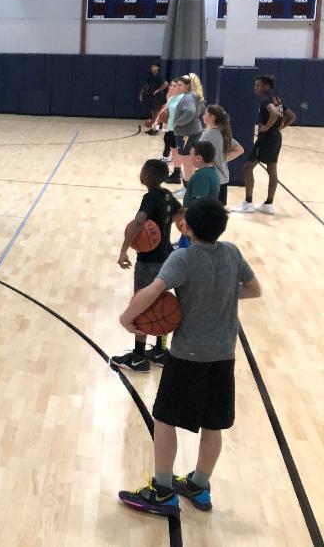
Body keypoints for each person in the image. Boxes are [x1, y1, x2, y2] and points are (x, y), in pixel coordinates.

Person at [117, 198, 261, 518]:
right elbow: (253, 289)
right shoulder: (232, 253)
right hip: (224, 355)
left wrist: (128, 318)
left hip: (188, 355)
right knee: (213, 425)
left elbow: (152, 291)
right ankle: (199, 485)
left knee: (165, 418)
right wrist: (219, 294)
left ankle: (163, 490)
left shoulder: (183, 257)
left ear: (188, 227)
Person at [113, 159, 181, 372]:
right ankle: (161, 351)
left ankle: (139, 357)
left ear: (147, 176)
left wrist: (124, 248)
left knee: (142, 304)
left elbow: (140, 221)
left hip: (149, 260)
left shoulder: (149, 197)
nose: (141, 174)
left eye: (143, 171)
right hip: (167, 257)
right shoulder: (168, 195)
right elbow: (181, 213)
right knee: (162, 303)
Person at [233, 75, 297, 215]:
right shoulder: (277, 99)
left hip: (266, 138)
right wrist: (278, 128)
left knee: (248, 167)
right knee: (272, 171)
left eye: (258, 85)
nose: (255, 88)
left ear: (266, 86)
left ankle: (248, 203)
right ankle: (268, 204)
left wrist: (267, 127)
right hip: (275, 138)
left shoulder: (265, 100)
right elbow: (291, 116)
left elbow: (274, 113)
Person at [200, 105, 244, 206]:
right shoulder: (224, 134)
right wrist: (223, 159)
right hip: (223, 179)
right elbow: (240, 150)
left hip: (209, 180)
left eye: (205, 114)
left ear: (212, 117)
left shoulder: (206, 136)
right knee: (219, 212)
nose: (203, 116)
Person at [165, 75, 202, 186]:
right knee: (188, 159)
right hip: (193, 130)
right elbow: (200, 110)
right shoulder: (195, 95)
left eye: (180, 85)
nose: (178, 87)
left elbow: (190, 112)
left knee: (186, 161)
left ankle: (187, 189)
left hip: (187, 133)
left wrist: (178, 122)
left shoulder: (187, 98)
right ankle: (189, 186)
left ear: (187, 85)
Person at [141, 61, 168, 136]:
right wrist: (142, 92)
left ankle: (156, 130)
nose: (151, 68)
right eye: (151, 66)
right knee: (153, 113)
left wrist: (158, 90)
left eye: (153, 66)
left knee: (156, 114)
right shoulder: (151, 76)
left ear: (158, 68)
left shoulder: (159, 76)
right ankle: (153, 129)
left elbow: (166, 84)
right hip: (152, 96)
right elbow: (147, 84)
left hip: (158, 97)